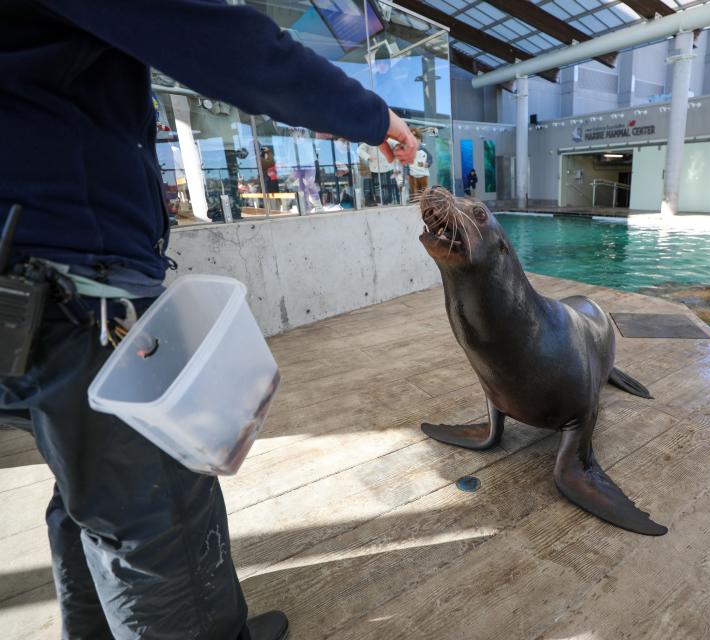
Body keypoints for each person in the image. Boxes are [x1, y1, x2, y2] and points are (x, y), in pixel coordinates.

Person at [0, 2, 417, 640]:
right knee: (158, 511)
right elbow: (219, 39)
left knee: (89, 491)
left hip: (28, 286)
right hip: (78, 288)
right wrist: (367, 114)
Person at [408, 129, 433, 201]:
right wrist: (407, 173)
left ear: (420, 140)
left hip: (423, 174)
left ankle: (424, 201)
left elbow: (430, 158)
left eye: (417, 139)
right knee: (414, 192)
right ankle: (414, 201)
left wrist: (427, 164)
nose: (415, 141)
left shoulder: (424, 150)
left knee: (423, 190)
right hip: (412, 174)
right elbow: (406, 164)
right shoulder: (409, 150)